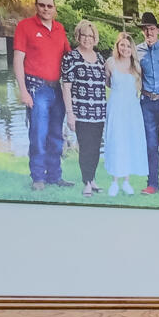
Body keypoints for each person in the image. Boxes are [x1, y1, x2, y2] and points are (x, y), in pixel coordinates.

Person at [11, 0, 70, 189]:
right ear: (36, 6)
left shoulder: (60, 29)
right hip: (36, 89)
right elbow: (18, 60)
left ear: (55, 9)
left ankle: (55, 176)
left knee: (55, 135)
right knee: (38, 134)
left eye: (49, 6)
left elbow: (68, 59)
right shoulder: (25, 26)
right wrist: (23, 91)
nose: (45, 9)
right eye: (42, 5)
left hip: (57, 90)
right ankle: (38, 178)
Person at [130, 11, 159, 197]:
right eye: (145, 29)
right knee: (150, 146)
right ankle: (152, 184)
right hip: (147, 103)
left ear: (158, 30)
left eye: (151, 28)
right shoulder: (137, 52)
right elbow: (129, 73)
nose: (148, 32)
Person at [60, 20, 110, 196]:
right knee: (86, 147)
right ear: (78, 36)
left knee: (96, 147)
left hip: (98, 112)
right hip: (81, 112)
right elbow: (66, 87)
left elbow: (106, 83)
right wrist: (70, 114)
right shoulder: (70, 58)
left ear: (95, 38)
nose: (87, 39)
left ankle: (93, 179)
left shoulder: (100, 59)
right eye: (84, 35)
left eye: (91, 36)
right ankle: (87, 182)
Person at [102, 30, 146, 196]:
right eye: (122, 45)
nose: (125, 48)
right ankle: (114, 181)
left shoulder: (136, 67)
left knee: (128, 143)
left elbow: (139, 88)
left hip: (132, 110)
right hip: (116, 107)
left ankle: (126, 182)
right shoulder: (110, 63)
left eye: (128, 46)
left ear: (132, 48)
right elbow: (108, 82)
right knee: (116, 142)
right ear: (117, 46)